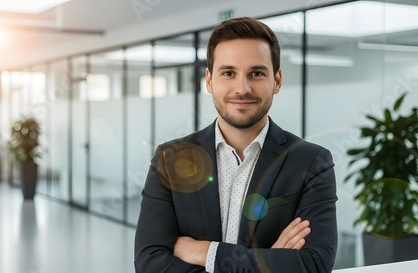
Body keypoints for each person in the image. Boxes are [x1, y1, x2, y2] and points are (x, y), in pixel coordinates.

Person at [134, 17, 337, 273]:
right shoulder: (170, 158)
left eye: (256, 73)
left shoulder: (311, 162)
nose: (242, 88)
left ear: (276, 80)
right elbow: (148, 262)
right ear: (209, 81)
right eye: (228, 73)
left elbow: (314, 264)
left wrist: (205, 251)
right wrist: (267, 261)